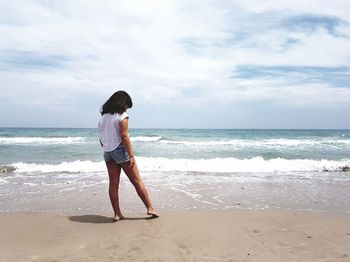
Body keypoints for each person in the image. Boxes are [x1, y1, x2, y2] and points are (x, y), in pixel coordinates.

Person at [98, 90, 159, 221]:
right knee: (136, 181)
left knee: (113, 183)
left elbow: (101, 137)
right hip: (120, 150)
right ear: (123, 103)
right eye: (127, 105)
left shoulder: (103, 118)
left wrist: (106, 148)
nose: (127, 109)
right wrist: (131, 155)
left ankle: (117, 213)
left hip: (108, 152)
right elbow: (124, 136)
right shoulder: (122, 116)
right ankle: (150, 208)